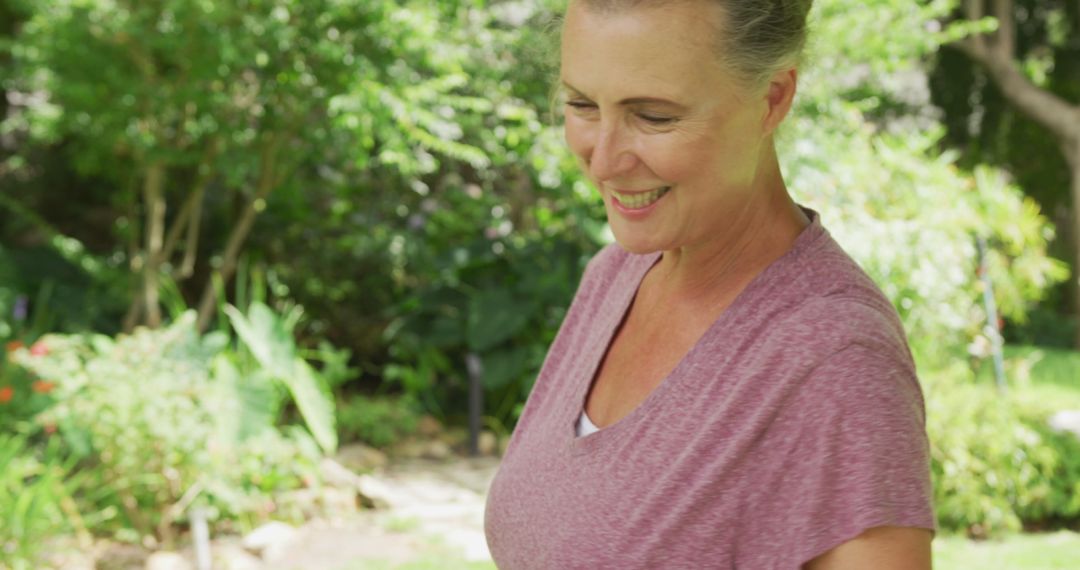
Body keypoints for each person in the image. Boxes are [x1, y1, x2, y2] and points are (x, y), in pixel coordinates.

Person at [483, 0, 935, 568]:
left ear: (773, 98)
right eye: (581, 104)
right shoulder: (615, 276)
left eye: (653, 116)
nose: (602, 161)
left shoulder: (835, 358)